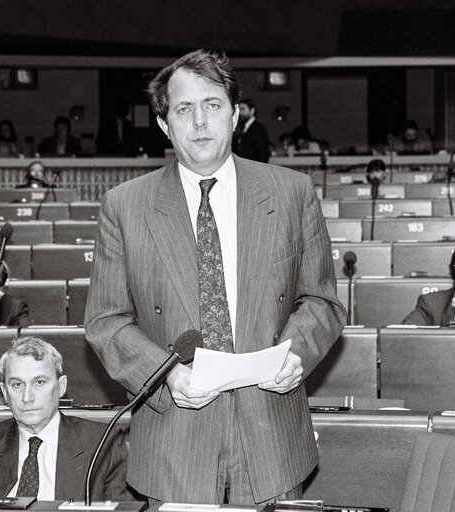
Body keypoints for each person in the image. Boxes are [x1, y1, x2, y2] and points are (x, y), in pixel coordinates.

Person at [84, 49, 345, 505]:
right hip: (174, 435)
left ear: (234, 113)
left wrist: (297, 354)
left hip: (271, 432)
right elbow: (106, 321)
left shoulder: (291, 193)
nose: (200, 122)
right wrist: (164, 375)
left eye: (212, 105)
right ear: (165, 125)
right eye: (184, 109)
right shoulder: (125, 206)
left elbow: (321, 300)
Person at [0, 336, 131, 500]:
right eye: (17, 384)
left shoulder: (103, 444)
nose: (27, 397)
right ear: (5, 393)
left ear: (61, 387)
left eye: (39, 382)